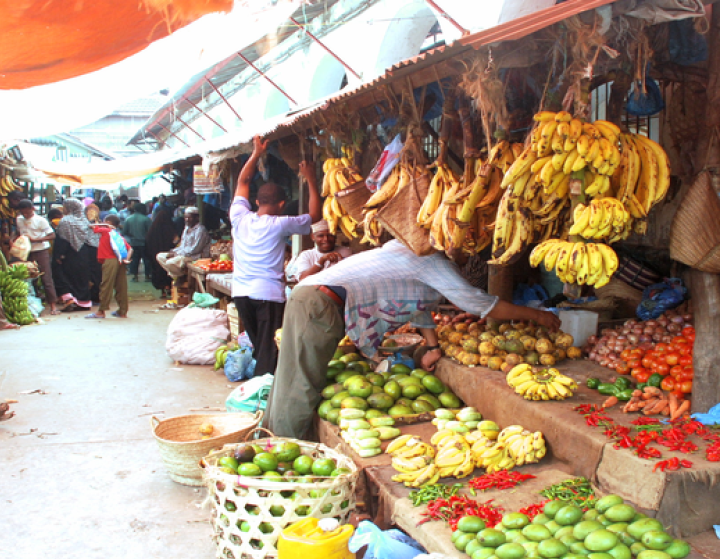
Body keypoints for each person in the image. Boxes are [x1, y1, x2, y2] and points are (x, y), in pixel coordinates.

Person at [264, 240, 563, 440]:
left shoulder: (408, 251)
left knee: (290, 378)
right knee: (301, 384)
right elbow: (475, 302)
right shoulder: (432, 261)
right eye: (467, 248)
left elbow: (420, 305)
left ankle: (268, 437)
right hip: (319, 304)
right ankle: (283, 451)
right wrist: (535, 316)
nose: (467, 255)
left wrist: (432, 346)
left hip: (313, 300)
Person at [230, 135, 322, 377]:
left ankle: (260, 387)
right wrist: (311, 179)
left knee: (260, 346)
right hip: (267, 295)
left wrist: (255, 154)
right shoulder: (280, 224)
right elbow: (314, 215)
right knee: (269, 348)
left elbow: (243, 180)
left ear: (257, 201)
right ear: (282, 204)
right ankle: (264, 394)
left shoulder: (239, 216)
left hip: (240, 293)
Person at [53, 198, 102, 310]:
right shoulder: (84, 221)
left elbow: (63, 239)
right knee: (81, 278)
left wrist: (60, 255)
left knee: (68, 277)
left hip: (70, 254)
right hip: (84, 253)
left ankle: (71, 300)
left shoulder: (66, 221)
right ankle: (83, 302)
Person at [16, 197, 60, 315]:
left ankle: (53, 306)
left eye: (27, 212)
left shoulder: (40, 220)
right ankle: (34, 305)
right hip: (26, 252)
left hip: (40, 250)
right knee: (29, 278)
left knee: (46, 278)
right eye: (23, 212)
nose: (25, 214)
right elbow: (17, 231)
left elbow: (52, 235)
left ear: (32, 209)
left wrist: (37, 239)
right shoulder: (19, 219)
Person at [87, 214, 132, 319]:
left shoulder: (106, 231)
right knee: (121, 286)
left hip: (110, 260)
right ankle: (123, 310)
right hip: (120, 260)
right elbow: (130, 249)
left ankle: (101, 311)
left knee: (106, 285)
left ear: (108, 223)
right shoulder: (117, 234)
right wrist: (126, 259)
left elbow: (91, 226)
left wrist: (104, 225)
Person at [156, 206, 210, 283]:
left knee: (169, 262)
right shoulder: (186, 228)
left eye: (190, 218)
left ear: (197, 218)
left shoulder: (200, 230)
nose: (187, 220)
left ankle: (181, 276)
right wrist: (173, 252)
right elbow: (183, 245)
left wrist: (177, 254)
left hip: (196, 256)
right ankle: (178, 275)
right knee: (160, 256)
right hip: (184, 254)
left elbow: (195, 249)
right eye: (186, 218)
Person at [286, 220, 352, 283]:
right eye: (321, 236)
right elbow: (302, 279)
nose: (326, 239)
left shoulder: (345, 252)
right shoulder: (306, 255)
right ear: (313, 237)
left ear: (335, 236)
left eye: (330, 235)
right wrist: (321, 262)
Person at [145, 209, 177, 297]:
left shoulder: (153, 228)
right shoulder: (170, 227)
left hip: (155, 255)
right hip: (167, 255)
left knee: (158, 272)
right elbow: (175, 240)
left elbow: (148, 241)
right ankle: (169, 288)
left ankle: (162, 291)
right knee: (167, 271)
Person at [120, 203, 152, 282]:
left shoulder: (129, 219)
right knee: (146, 260)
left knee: (134, 260)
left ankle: (135, 276)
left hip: (133, 242)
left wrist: (132, 235)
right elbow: (151, 232)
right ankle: (147, 276)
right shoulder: (146, 219)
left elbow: (124, 232)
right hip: (145, 243)